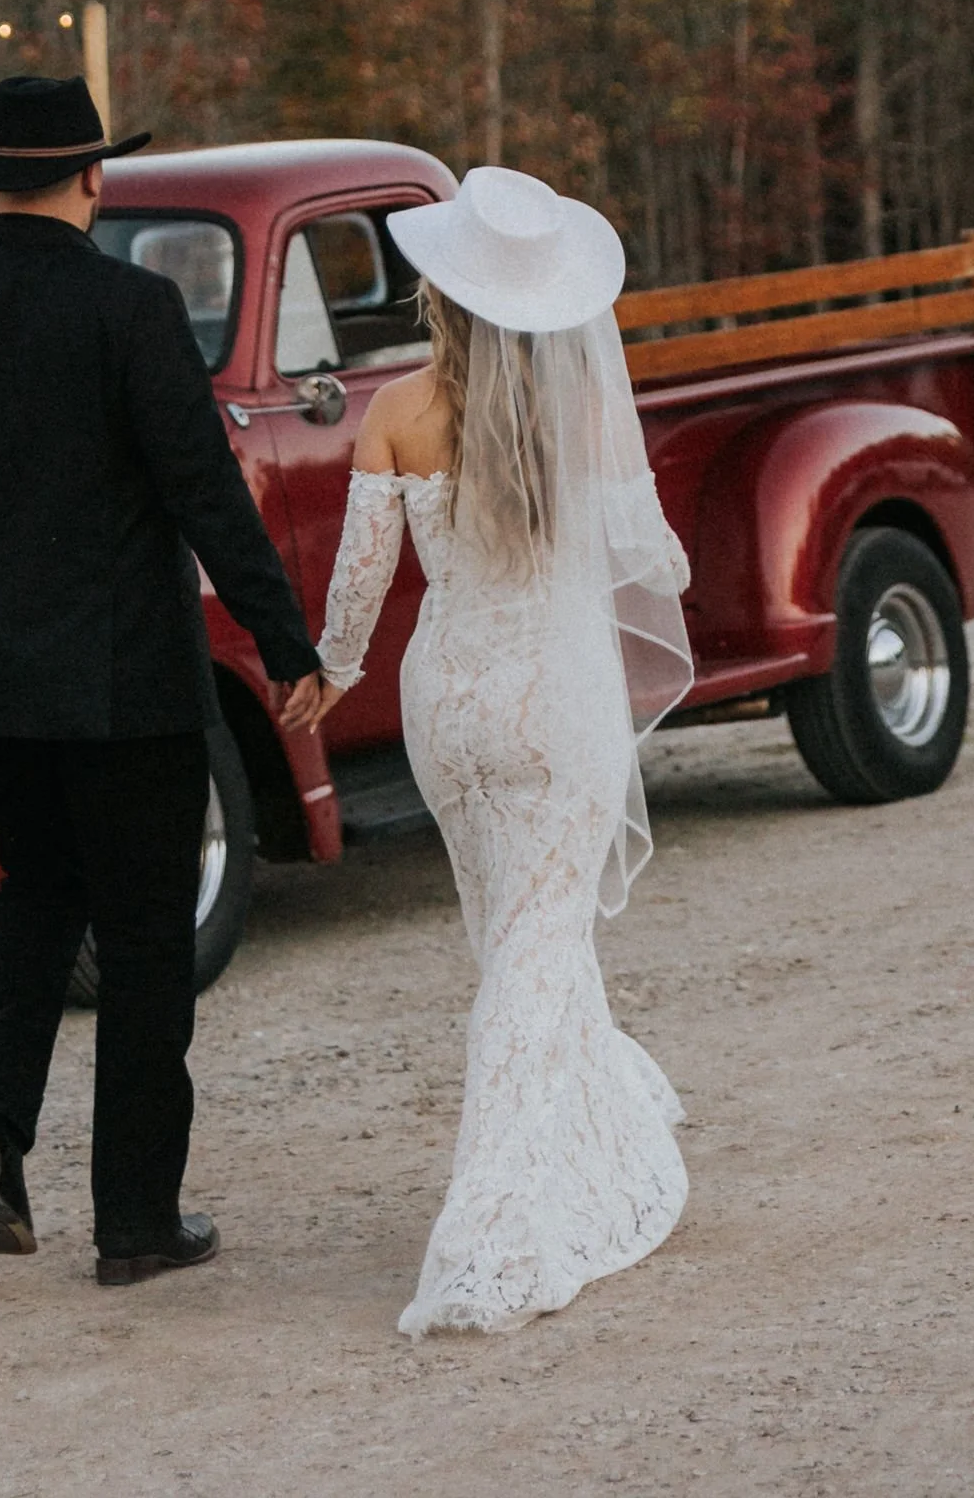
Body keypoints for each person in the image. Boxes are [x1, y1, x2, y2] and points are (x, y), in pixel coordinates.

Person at [0, 72, 325, 1287]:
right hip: (117, 677)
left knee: (38, 888)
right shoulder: (131, 309)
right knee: (146, 940)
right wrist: (286, 642)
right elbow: (206, 493)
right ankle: (138, 1224)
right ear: (93, 177)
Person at [314, 164, 694, 1336]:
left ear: (443, 289)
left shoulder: (391, 412)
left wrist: (325, 676)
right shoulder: (578, 411)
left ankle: (596, 1137)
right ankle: (492, 1228)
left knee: (511, 941)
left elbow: (356, 588)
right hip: (551, 702)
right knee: (533, 948)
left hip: (448, 705)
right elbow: (658, 569)